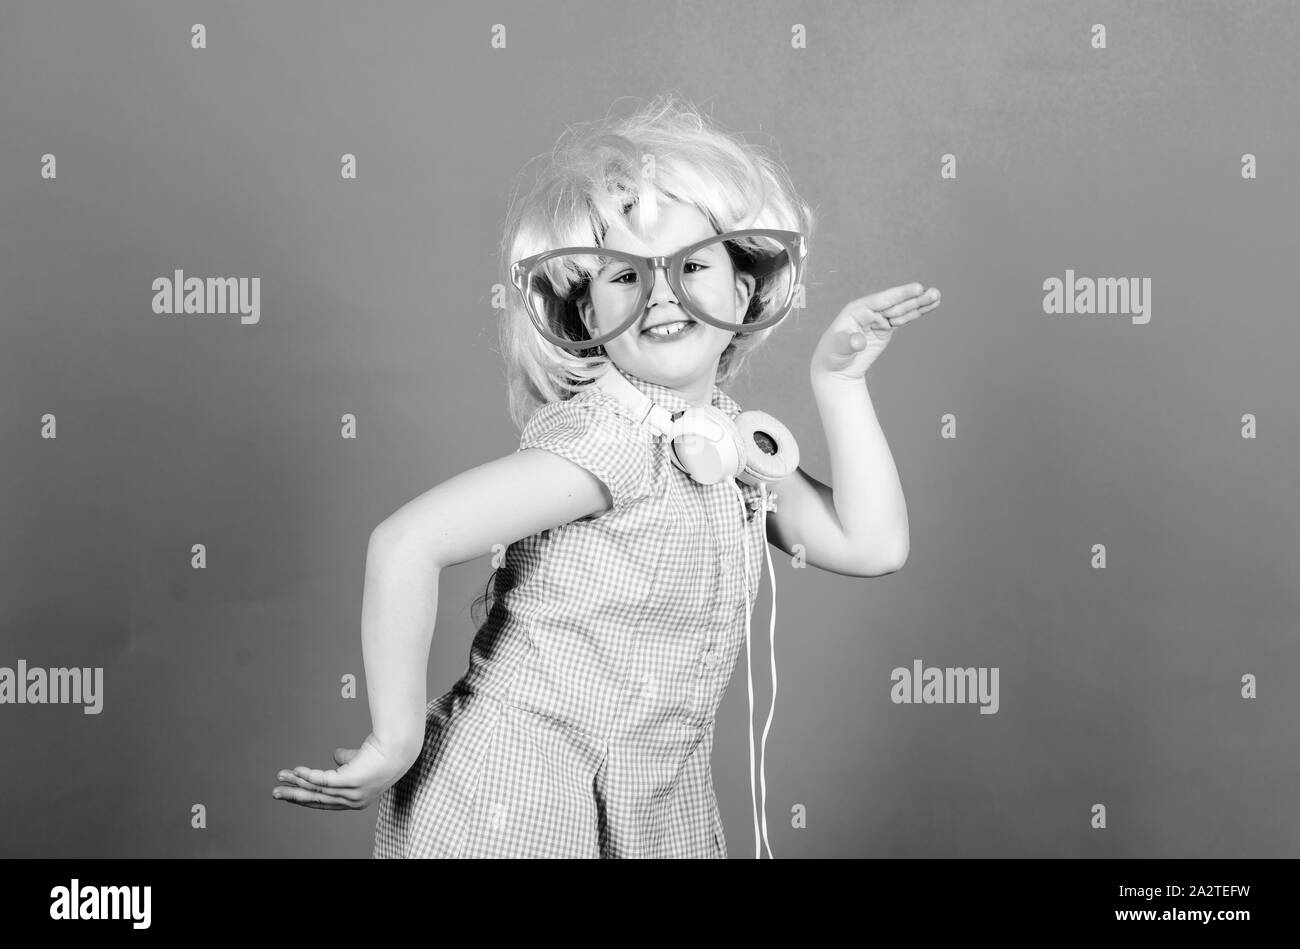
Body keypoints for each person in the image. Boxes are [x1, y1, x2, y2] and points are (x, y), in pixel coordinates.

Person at [271, 93, 940, 858]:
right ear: (586, 315)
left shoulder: (725, 447)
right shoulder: (612, 442)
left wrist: (841, 383)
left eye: (693, 266)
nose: (662, 294)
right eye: (625, 276)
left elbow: (872, 543)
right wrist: (393, 739)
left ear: (743, 294)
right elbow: (406, 542)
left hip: (650, 801)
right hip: (518, 798)